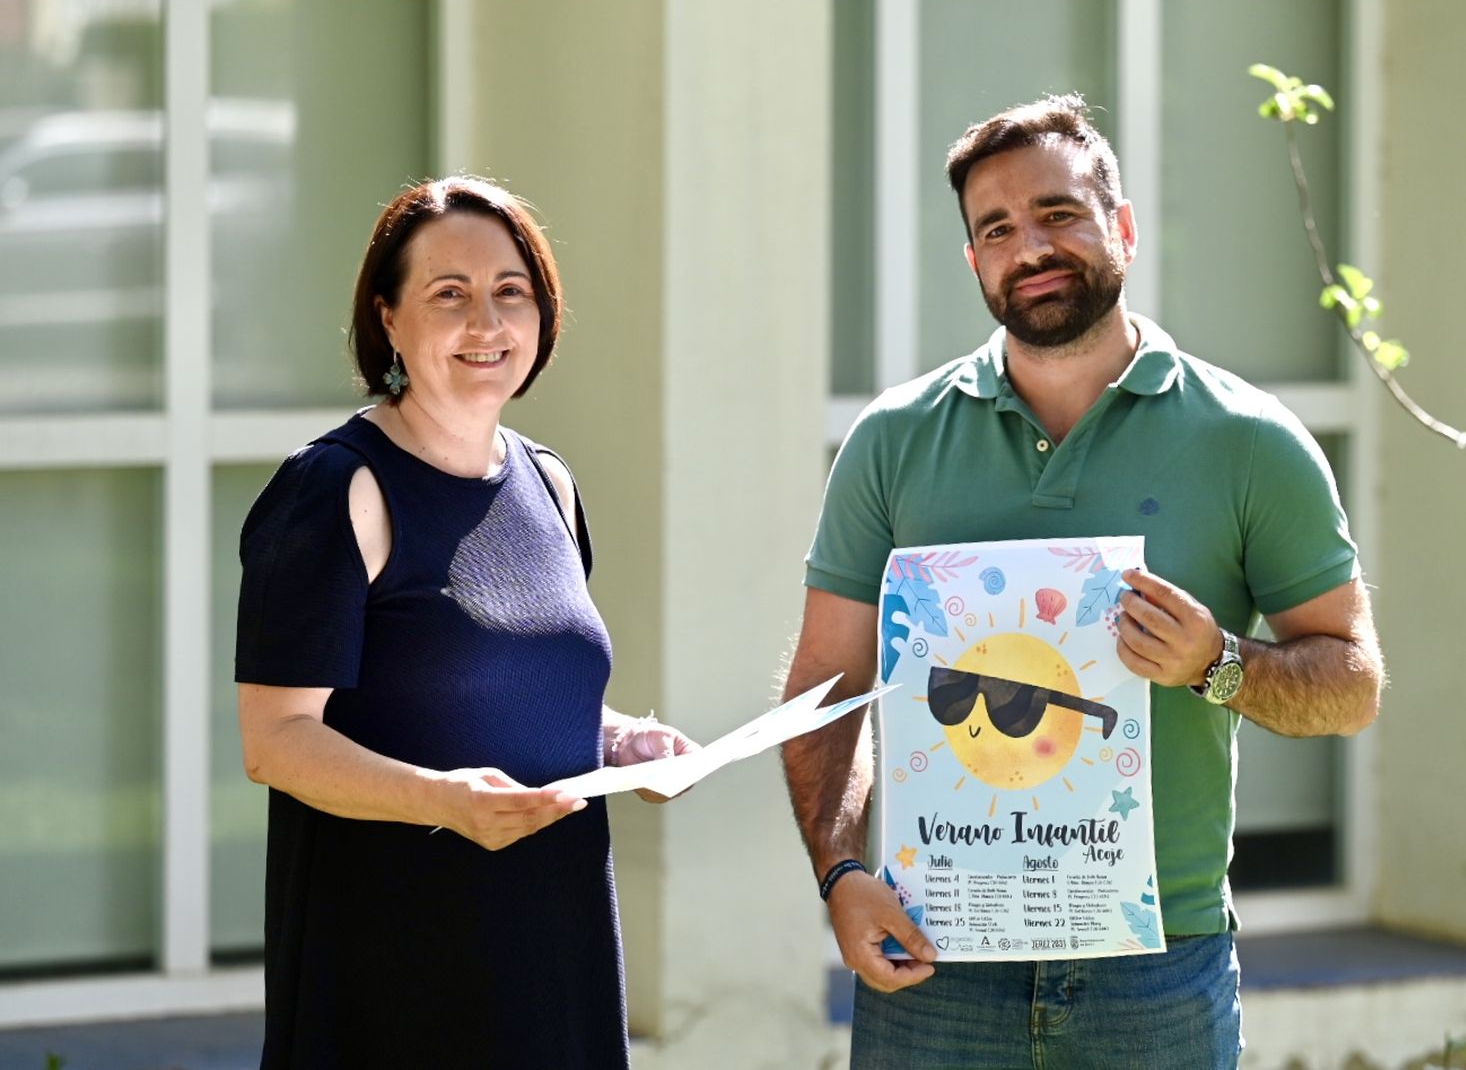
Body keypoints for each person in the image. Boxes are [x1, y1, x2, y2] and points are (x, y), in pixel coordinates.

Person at [780, 94, 1384, 1069]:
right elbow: (827, 685)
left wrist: (1218, 663)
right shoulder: (890, 444)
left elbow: (1351, 684)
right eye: (997, 229)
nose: (1031, 247)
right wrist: (842, 873)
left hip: (1157, 969)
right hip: (936, 960)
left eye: (1058, 213)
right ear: (974, 261)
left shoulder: (1248, 443)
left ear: (1124, 227)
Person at [235, 176, 695, 1069]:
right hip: (394, 967)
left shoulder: (548, 483)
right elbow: (277, 740)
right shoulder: (335, 490)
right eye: (450, 294)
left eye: (510, 292)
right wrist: (441, 801)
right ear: (389, 320)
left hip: (554, 948)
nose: (487, 323)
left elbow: (505, 691)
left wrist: (625, 741)